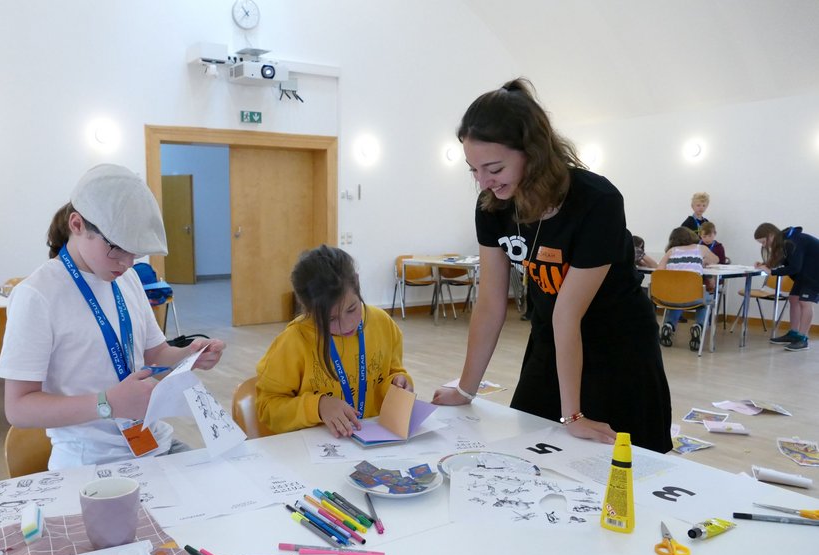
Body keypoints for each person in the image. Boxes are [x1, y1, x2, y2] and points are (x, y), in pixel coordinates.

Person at [432, 78, 671, 454]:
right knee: (529, 450)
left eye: (493, 168)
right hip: (551, 340)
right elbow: (491, 303)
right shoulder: (492, 207)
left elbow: (568, 313)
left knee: (624, 461)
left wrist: (573, 415)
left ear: (533, 151)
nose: (483, 181)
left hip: (617, 345)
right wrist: (465, 388)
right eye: (473, 170)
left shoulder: (597, 201)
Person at [0, 164, 226, 468]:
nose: (127, 262)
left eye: (135, 252)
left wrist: (188, 356)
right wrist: (109, 404)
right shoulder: (37, 295)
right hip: (91, 462)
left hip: (157, 444)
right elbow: (19, 408)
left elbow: (154, 352)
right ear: (77, 225)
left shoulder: (125, 278)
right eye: (117, 248)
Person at [256, 245, 412, 438]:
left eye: (352, 309)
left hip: (375, 442)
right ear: (306, 308)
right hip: (317, 449)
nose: (346, 325)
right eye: (330, 319)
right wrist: (318, 406)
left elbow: (393, 372)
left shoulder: (383, 324)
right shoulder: (294, 341)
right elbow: (267, 408)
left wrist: (398, 383)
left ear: (356, 282)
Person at [753, 223, 819, 352]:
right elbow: (786, 260)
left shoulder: (794, 241)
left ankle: (803, 338)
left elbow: (795, 267)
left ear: (771, 235)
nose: (764, 246)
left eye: (763, 242)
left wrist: (772, 272)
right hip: (806, 272)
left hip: (815, 274)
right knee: (793, 299)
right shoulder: (785, 240)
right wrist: (766, 264)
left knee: (805, 302)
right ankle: (794, 334)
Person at [656, 227, 719, 351]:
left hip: (669, 297)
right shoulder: (701, 248)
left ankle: (668, 325)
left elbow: (660, 271)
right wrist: (704, 261)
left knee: (677, 298)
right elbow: (716, 260)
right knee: (706, 299)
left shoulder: (671, 251)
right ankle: (698, 326)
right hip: (693, 297)